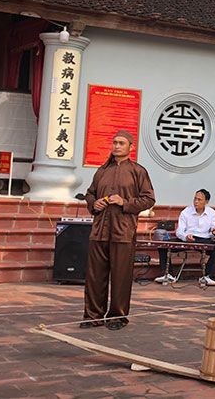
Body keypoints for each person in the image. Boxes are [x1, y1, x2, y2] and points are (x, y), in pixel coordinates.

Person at [81, 130, 155, 331]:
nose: (116, 146)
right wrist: (93, 204)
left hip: (123, 231)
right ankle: (93, 315)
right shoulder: (102, 171)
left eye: (121, 143)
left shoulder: (138, 171)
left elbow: (149, 199)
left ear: (131, 147)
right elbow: (90, 194)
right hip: (99, 230)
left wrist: (125, 202)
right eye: (114, 142)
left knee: (121, 276)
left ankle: (118, 316)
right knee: (95, 275)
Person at [154, 189, 215, 286]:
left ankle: (206, 276)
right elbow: (179, 231)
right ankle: (168, 274)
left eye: (199, 200)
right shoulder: (186, 212)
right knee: (163, 245)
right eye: (195, 199)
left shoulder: (212, 213)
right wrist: (186, 236)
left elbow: (214, 230)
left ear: (206, 202)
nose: (196, 202)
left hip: (204, 239)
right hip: (187, 239)